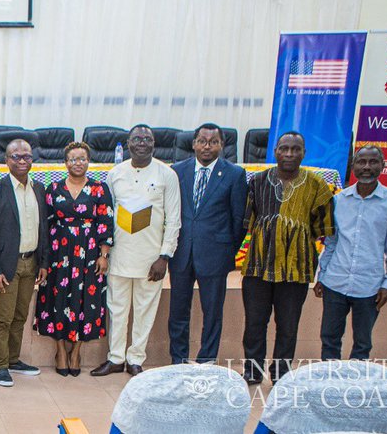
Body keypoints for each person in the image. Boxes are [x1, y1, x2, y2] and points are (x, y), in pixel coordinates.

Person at [241, 131, 334, 383]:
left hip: (296, 269)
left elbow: (322, 230)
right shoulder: (257, 182)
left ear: (304, 153)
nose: (289, 154)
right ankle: (252, 370)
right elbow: (248, 223)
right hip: (258, 267)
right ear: (275, 152)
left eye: (295, 149)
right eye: (284, 149)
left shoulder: (317, 186)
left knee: (288, 326)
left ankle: (281, 373)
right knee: (254, 324)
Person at [92, 124, 180, 378]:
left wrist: (164, 256)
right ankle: (116, 358)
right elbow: (106, 215)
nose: (142, 142)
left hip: (151, 259)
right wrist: (105, 253)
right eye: (137, 138)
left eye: (147, 139)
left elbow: (173, 219)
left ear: (154, 143)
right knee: (117, 309)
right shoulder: (115, 173)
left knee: (144, 310)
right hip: (120, 255)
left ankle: (135, 359)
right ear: (127, 144)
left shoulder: (167, 174)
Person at [168, 123, 248, 364]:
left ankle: (207, 361)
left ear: (221, 145)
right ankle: (178, 359)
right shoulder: (177, 171)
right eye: (202, 141)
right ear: (193, 144)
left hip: (215, 254)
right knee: (178, 312)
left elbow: (238, 220)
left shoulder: (234, 174)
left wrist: (226, 251)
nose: (207, 146)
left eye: (213, 142)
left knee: (212, 313)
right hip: (181, 252)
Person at [315, 145, 387, 360]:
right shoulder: (338, 200)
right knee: (329, 338)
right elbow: (332, 243)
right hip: (335, 281)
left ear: (382, 165)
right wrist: (322, 276)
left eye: (373, 162)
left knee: (362, 343)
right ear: (352, 166)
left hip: (369, 286)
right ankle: (329, 384)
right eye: (361, 162)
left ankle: (356, 388)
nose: (366, 167)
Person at [36, 142, 114, 377]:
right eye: (73, 159)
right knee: (56, 298)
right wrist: (44, 258)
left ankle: (76, 350)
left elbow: (105, 222)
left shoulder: (100, 189)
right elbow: (46, 223)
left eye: (82, 159)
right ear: (65, 162)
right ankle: (60, 349)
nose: (77, 163)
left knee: (86, 300)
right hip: (59, 252)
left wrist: (103, 255)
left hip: (89, 254)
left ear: (88, 161)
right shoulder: (54, 188)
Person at [0, 138, 48, 387]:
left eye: (27, 156)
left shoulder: (39, 189)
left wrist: (43, 263)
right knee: (3, 318)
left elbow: (44, 229)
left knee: (20, 316)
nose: (22, 161)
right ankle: (0, 366)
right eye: (16, 157)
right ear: (6, 160)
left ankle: (13, 359)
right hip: (6, 267)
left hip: (31, 264)